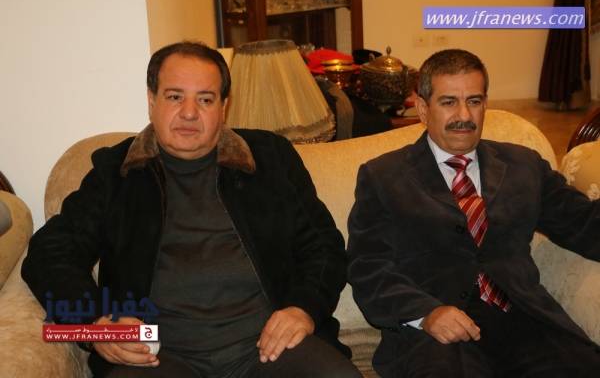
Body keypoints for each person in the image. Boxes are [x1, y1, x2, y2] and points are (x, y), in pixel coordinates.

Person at [23, 41, 361, 378]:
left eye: (205, 99)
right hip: (156, 357)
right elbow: (48, 253)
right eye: (174, 97)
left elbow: (323, 247)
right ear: (152, 101)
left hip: (270, 347)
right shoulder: (117, 172)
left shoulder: (270, 158)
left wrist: (303, 309)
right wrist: (96, 324)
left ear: (223, 107)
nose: (189, 112)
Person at [347, 48, 600, 377]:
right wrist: (426, 313)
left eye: (474, 101)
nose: (464, 115)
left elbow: (584, 224)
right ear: (423, 108)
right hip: (438, 334)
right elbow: (368, 267)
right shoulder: (383, 176)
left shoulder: (523, 165)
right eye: (449, 102)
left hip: (525, 321)